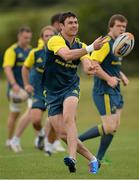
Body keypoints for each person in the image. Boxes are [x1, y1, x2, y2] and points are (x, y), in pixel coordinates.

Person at [41, 12, 107, 173]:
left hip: (71, 87)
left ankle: (72, 158)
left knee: (69, 117)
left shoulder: (81, 45)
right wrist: (90, 48)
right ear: (61, 26)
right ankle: (93, 159)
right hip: (51, 91)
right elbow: (67, 55)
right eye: (70, 22)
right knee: (63, 134)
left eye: (76, 22)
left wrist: (90, 68)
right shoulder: (55, 40)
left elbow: (85, 64)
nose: (74, 25)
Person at [79, 14, 129, 164]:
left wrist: (122, 75)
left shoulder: (119, 43)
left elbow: (110, 65)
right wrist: (108, 79)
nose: (122, 29)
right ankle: (76, 140)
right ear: (111, 27)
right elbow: (94, 64)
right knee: (109, 126)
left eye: (124, 27)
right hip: (104, 90)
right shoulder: (106, 43)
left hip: (115, 89)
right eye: (119, 26)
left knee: (114, 127)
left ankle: (99, 158)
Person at [3, 26, 32, 150]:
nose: (27, 40)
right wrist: (14, 85)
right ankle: (9, 140)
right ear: (19, 36)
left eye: (29, 38)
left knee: (34, 110)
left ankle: (38, 139)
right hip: (16, 89)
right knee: (14, 114)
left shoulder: (30, 50)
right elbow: (7, 68)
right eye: (25, 37)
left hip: (28, 88)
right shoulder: (12, 50)